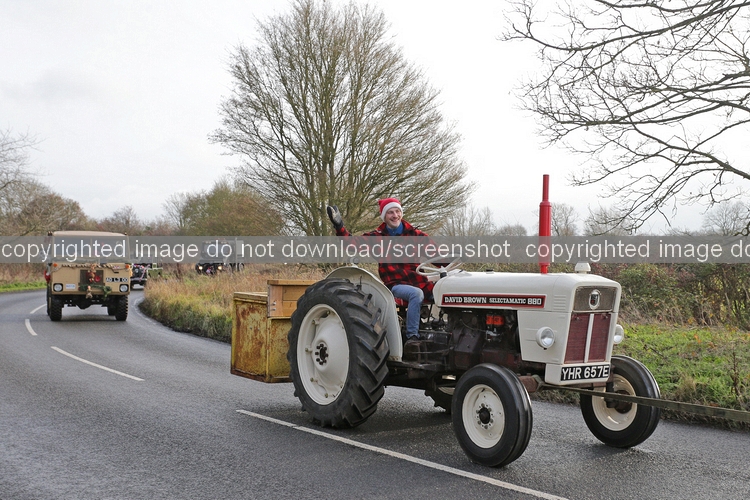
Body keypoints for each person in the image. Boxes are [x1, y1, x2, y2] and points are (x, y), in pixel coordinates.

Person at [327, 198, 430, 349]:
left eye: (397, 211)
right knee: (416, 294)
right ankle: (412, 338)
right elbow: (352, 244)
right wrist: (339, 226)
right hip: (396, 285)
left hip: (419, 282)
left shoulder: (416, 235)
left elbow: (438, 255)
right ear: (384, 216)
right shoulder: (377, 238)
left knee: (444, 290)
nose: (395, 215)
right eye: (390, 212)